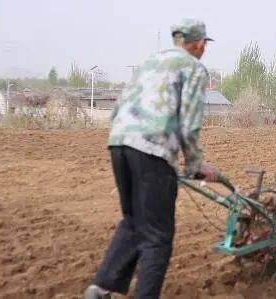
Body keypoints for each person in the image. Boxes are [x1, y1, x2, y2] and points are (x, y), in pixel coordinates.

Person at [84, 18, 218, 299]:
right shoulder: (193, 67)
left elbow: (121, 105)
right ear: (196, 43)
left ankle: (101, 288)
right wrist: (195, 165)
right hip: (152, 150)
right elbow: (190, 122)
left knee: (134, 220)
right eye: (204, 43)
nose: (204, 48)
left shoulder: (150, 62)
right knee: (157, 237)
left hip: (119, 142)